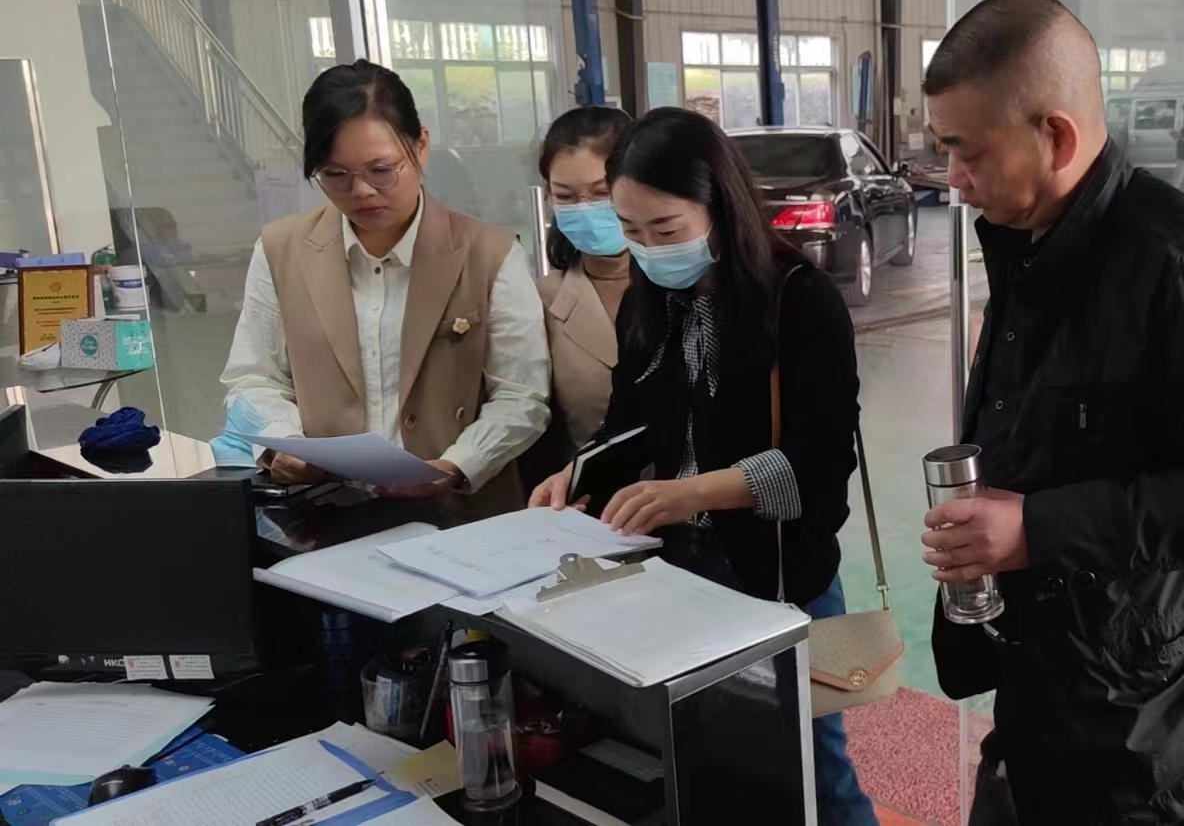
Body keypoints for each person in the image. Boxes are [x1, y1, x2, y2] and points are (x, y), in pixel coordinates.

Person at [919, 0, 1184, 825]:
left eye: (965, 151)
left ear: (1057, 137)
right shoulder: (1032, 246)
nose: (953, 179)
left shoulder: (1183, 265)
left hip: (1141, 723)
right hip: (1050, 682)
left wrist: (1036, 528)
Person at [526, 107, 877, 826]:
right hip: (678, 573)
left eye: (666, 230)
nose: (648, 250)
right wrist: (579, 474)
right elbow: (631, 420)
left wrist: (695, 493)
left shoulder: (798, 300)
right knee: (713, 767)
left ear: (720, 206)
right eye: (632, 232)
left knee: (817, 770)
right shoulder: (650, 301)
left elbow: (818, 465)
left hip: (775, 576)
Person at [221, 60, 551, 516]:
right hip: (324, 513)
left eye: (381, 170)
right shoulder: (281, 250)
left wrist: (457, 465)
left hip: (461, 518)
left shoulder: (490, 253)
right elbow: (253, 377)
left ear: (421, 146)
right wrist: (284, 441)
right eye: (335, 174)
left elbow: (521, 395)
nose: (361, 192)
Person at [534, 105, 635, 452]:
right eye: (566, 196)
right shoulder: (541, 301)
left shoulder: (686, 285)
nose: (586, 208)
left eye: (602, 192)